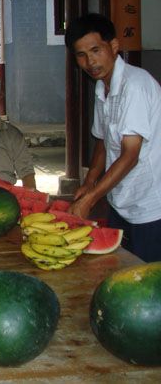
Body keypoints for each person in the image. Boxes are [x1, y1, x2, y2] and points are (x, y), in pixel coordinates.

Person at [65, 13, 161, 262]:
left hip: (151, 206)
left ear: (114, 46)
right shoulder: (101, 88)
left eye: (96, 50)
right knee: (121, 273)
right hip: (121, 201)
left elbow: (130, 155)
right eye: (81, 55)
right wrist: (89, 182)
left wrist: (91, 198)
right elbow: (103, 141)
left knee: (146, 286)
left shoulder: (135, 86)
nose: (90, 61)